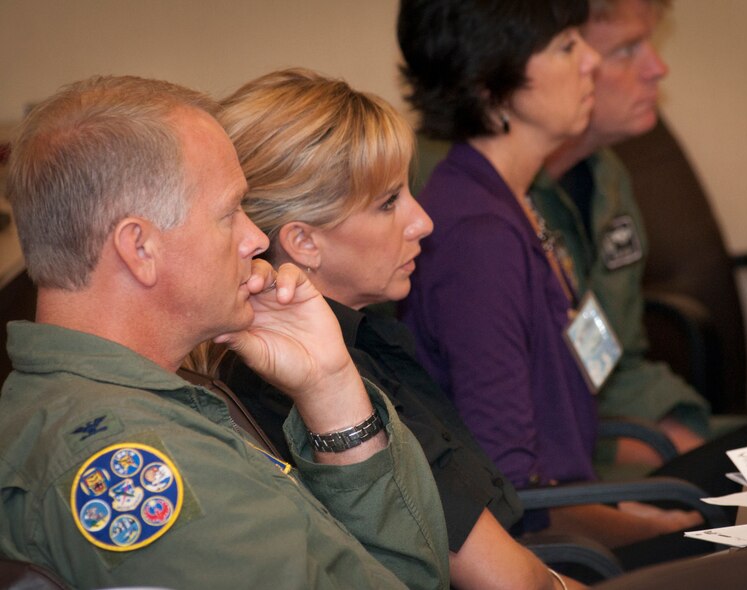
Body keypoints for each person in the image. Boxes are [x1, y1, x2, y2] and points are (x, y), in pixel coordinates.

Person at [0, 75, 449, 590]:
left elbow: (407, 573)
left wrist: (328, 385)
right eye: (229, 212)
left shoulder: (138, 402)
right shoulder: (150, 471)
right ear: (139, 249)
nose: (256, 238)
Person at [206, 67, 588, 589]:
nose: (423, 222)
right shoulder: (317, 379)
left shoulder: (366, 339)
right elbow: (510, 582)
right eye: (389, 203)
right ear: (303, 242)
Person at [397, 0, 704, 553]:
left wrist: (620, 511)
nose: (589, 59)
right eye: (566, 46)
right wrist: (655, 532)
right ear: (492, 87)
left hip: (577, 519)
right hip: (559, 556)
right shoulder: (478, 237)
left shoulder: (509, 201)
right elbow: (519, 500)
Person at [532, 0, 709, 468]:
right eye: (628, 50)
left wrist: (678, 430)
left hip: (622, 420)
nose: (658, 68)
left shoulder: (606, 176)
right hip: (551, 467)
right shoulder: (471, 205)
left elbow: (617, 360)